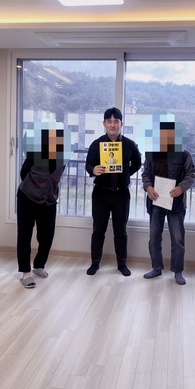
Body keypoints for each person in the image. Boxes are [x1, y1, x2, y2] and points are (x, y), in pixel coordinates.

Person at [86, 107, 142, 276]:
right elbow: (88, 164)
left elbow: (137, 163)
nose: (112, 125)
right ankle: (95, 262)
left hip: (121, 194)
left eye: (116, 121)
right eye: (109, 121)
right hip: (101, 193)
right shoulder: (96, 144)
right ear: (104, 123)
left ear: (121, 124)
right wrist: (93, 170)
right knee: (98, 230)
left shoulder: (129, 144)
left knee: (121, 231)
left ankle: (122, 264)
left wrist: (126, 174)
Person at [142, 119, 195, 284]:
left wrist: (181, 187)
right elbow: (145, 174)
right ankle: (156, 268)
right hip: (156, 201)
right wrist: (148, 187)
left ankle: (178, 271)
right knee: (154, 237)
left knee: (177, 239)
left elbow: (190, 174)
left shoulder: (184, 154)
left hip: (176, 203)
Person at [17, 126, 68, 288]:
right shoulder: (34, 154)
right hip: (27, 198)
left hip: (49, 200)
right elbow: (23, 173)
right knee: (25, 235)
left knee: (47, 236)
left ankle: (39, 265)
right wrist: (35, 187)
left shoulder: (62, 159)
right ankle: (25, 273)